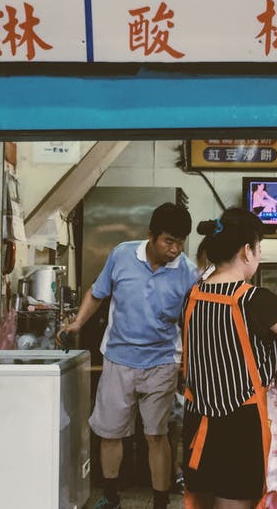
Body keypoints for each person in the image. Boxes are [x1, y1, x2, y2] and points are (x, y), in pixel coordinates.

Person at [181, 208, 277, 509]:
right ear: (247, 251)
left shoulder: (193, 294)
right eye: (259, 248)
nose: (259, 256)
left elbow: (229, 338)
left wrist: (276, 338)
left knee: (203, 501)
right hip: (238, 425)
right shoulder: (255, 298)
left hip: (197, 420)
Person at [58, 202, 199, 509]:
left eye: (180, 242)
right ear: (151, 235)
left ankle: (160, 503)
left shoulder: (188, 272)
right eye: (168, 241)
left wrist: (186, 363)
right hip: (118, 358)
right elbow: (97, 293)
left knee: (157, 435)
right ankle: (111, 497)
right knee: (111, 433)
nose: (175, 249)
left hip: (162, 362)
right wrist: (77, 323)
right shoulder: (123, 254)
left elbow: (191, 321)